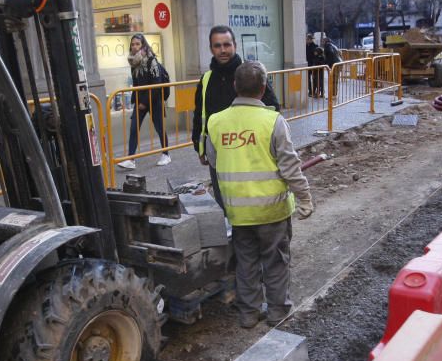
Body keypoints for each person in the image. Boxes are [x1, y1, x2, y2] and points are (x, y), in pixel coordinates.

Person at [205, 61, 313, 328]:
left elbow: (214, 161)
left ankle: (249, 313)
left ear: (235, 86)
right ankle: (277, 311)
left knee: (246, 262)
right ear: (264, 89)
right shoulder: (273, 121)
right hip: (272, 211)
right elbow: (290, 166)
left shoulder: (216, 122)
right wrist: (305, 197)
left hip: (238, 212)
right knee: (275, 262)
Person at [192, 25, 279, 206]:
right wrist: (199, 147)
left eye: (226, 44)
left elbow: (273, 108)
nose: (223, 50)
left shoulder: (251, 73)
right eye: (217, 46)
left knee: (254, 203)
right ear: (211, 48)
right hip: (220, 155)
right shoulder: (207, 79)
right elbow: (200, 115)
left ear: (235, 46)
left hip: (250, 152)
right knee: (225, 203)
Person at [119, 34, 171, 169]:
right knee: (133, 128)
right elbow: (136, 84)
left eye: (138, 44)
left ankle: (166, 154)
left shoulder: (151, 60)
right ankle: (131, 158)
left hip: (154, 99)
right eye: (133, 44)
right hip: (140, 100)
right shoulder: (133, 62)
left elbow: (156, 83)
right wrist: (136, 100)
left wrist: (145, 102)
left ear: (143, 45)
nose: (135, 46)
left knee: (160, 127)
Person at [306, 34, 323, 98]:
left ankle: (316, 92)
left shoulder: (315, 47)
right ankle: (310, 91)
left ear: (310, 40)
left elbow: (316, 57)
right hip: (308, 65)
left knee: (315, 79)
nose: (306, 40)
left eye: (307, 39)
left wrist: (314, 64)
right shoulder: (306, 46)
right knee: (308, 79)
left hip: (314, 65)